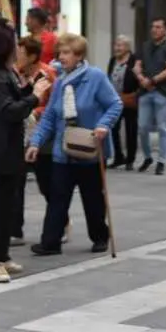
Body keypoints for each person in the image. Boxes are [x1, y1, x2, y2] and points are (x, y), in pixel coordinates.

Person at [29, 33, 122, 256]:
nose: (61, 57)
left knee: (93, 198)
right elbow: (51, 115)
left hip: (90, 148)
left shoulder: (95, 77)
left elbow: (115, 104)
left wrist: (103, 125)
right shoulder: (60, 82)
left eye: (66, 53)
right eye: (60, 53)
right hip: (64, 150)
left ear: (79, 55)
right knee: (58, 196)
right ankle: (50, 242)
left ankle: (100, 236)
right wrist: (35, 142)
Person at [0, 28, 51, 282]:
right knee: (0, 207)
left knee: (8, 205)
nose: (18, 50)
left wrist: (31, 86)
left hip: (9, 148)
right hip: (0, 150)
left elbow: (14, 96)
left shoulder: (5, 73)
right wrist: (35, 96)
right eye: (13, 45)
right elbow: (9, 110)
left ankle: (3, 255)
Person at [12, 36, 57, 246]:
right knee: (16, 182)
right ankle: (15, 229)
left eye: (20, 53)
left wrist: (36, 111)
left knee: (45, 182)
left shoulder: (47, 75)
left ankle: (61, 221)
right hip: (20, 135)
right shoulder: (15, 74)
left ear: (31, 56)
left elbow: (53, 105)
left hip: (42, 135)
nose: (16, 57)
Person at [134, 18, 166, 175]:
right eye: (153, 27)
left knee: (162, 127)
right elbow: (137, 66)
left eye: (158, 27)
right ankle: (147, 157)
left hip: (162, 91)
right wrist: (141, 78)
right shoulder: (145, 45)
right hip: (146, 91)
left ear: (165, 30)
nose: (154, 30)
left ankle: (161, 160)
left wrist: (152, 80)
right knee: (142, 127)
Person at [106, 35, 139, 170]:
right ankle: (118, 156)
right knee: (113, 128)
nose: (117, 48)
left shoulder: (134, 60)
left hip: (129, 98)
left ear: (127, 47)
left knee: (131, 129)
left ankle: (130, 159)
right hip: (115, 99)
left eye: (120, 45)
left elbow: (138, 77)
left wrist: (137, 94)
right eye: (116, 45)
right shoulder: (113, 60)